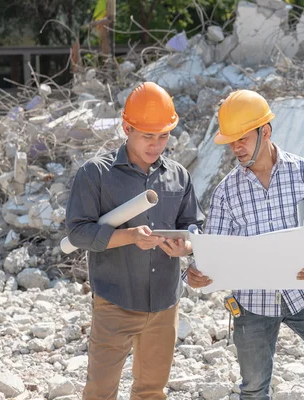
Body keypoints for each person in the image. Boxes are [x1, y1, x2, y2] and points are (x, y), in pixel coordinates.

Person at [186, 89, 304, 399]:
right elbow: (212, 253)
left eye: (243, 138)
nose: (236, 147)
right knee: (254, 389)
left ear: (266, 131)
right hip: (253, 305)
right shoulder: (226, 193)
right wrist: (196, 273)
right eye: (232, 141)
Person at [65, 81, 205, 400]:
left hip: (164, 303)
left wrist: (187, 245)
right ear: (126, 127)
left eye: (163, 136)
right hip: (115, 301)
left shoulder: (179, 175)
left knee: (152, 390)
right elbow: (77, 232)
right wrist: (128, 236)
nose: (156, 145)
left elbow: (193, 225)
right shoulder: (95, 174)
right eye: (147, 136)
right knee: (100, 390)